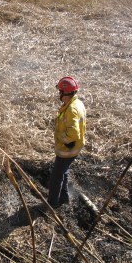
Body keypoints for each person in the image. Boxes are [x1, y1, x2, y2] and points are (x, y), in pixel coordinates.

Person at [48, 76, 86, 208]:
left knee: (56, 177)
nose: (59, 93)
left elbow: (73, 134)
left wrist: (59, 136)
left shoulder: (71, 110)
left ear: (66, 93)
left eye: (60, 91)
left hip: (68, 150)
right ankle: (64, 198)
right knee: (63, 172)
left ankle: (52, 203)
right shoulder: (76, 103)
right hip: (74, 148)